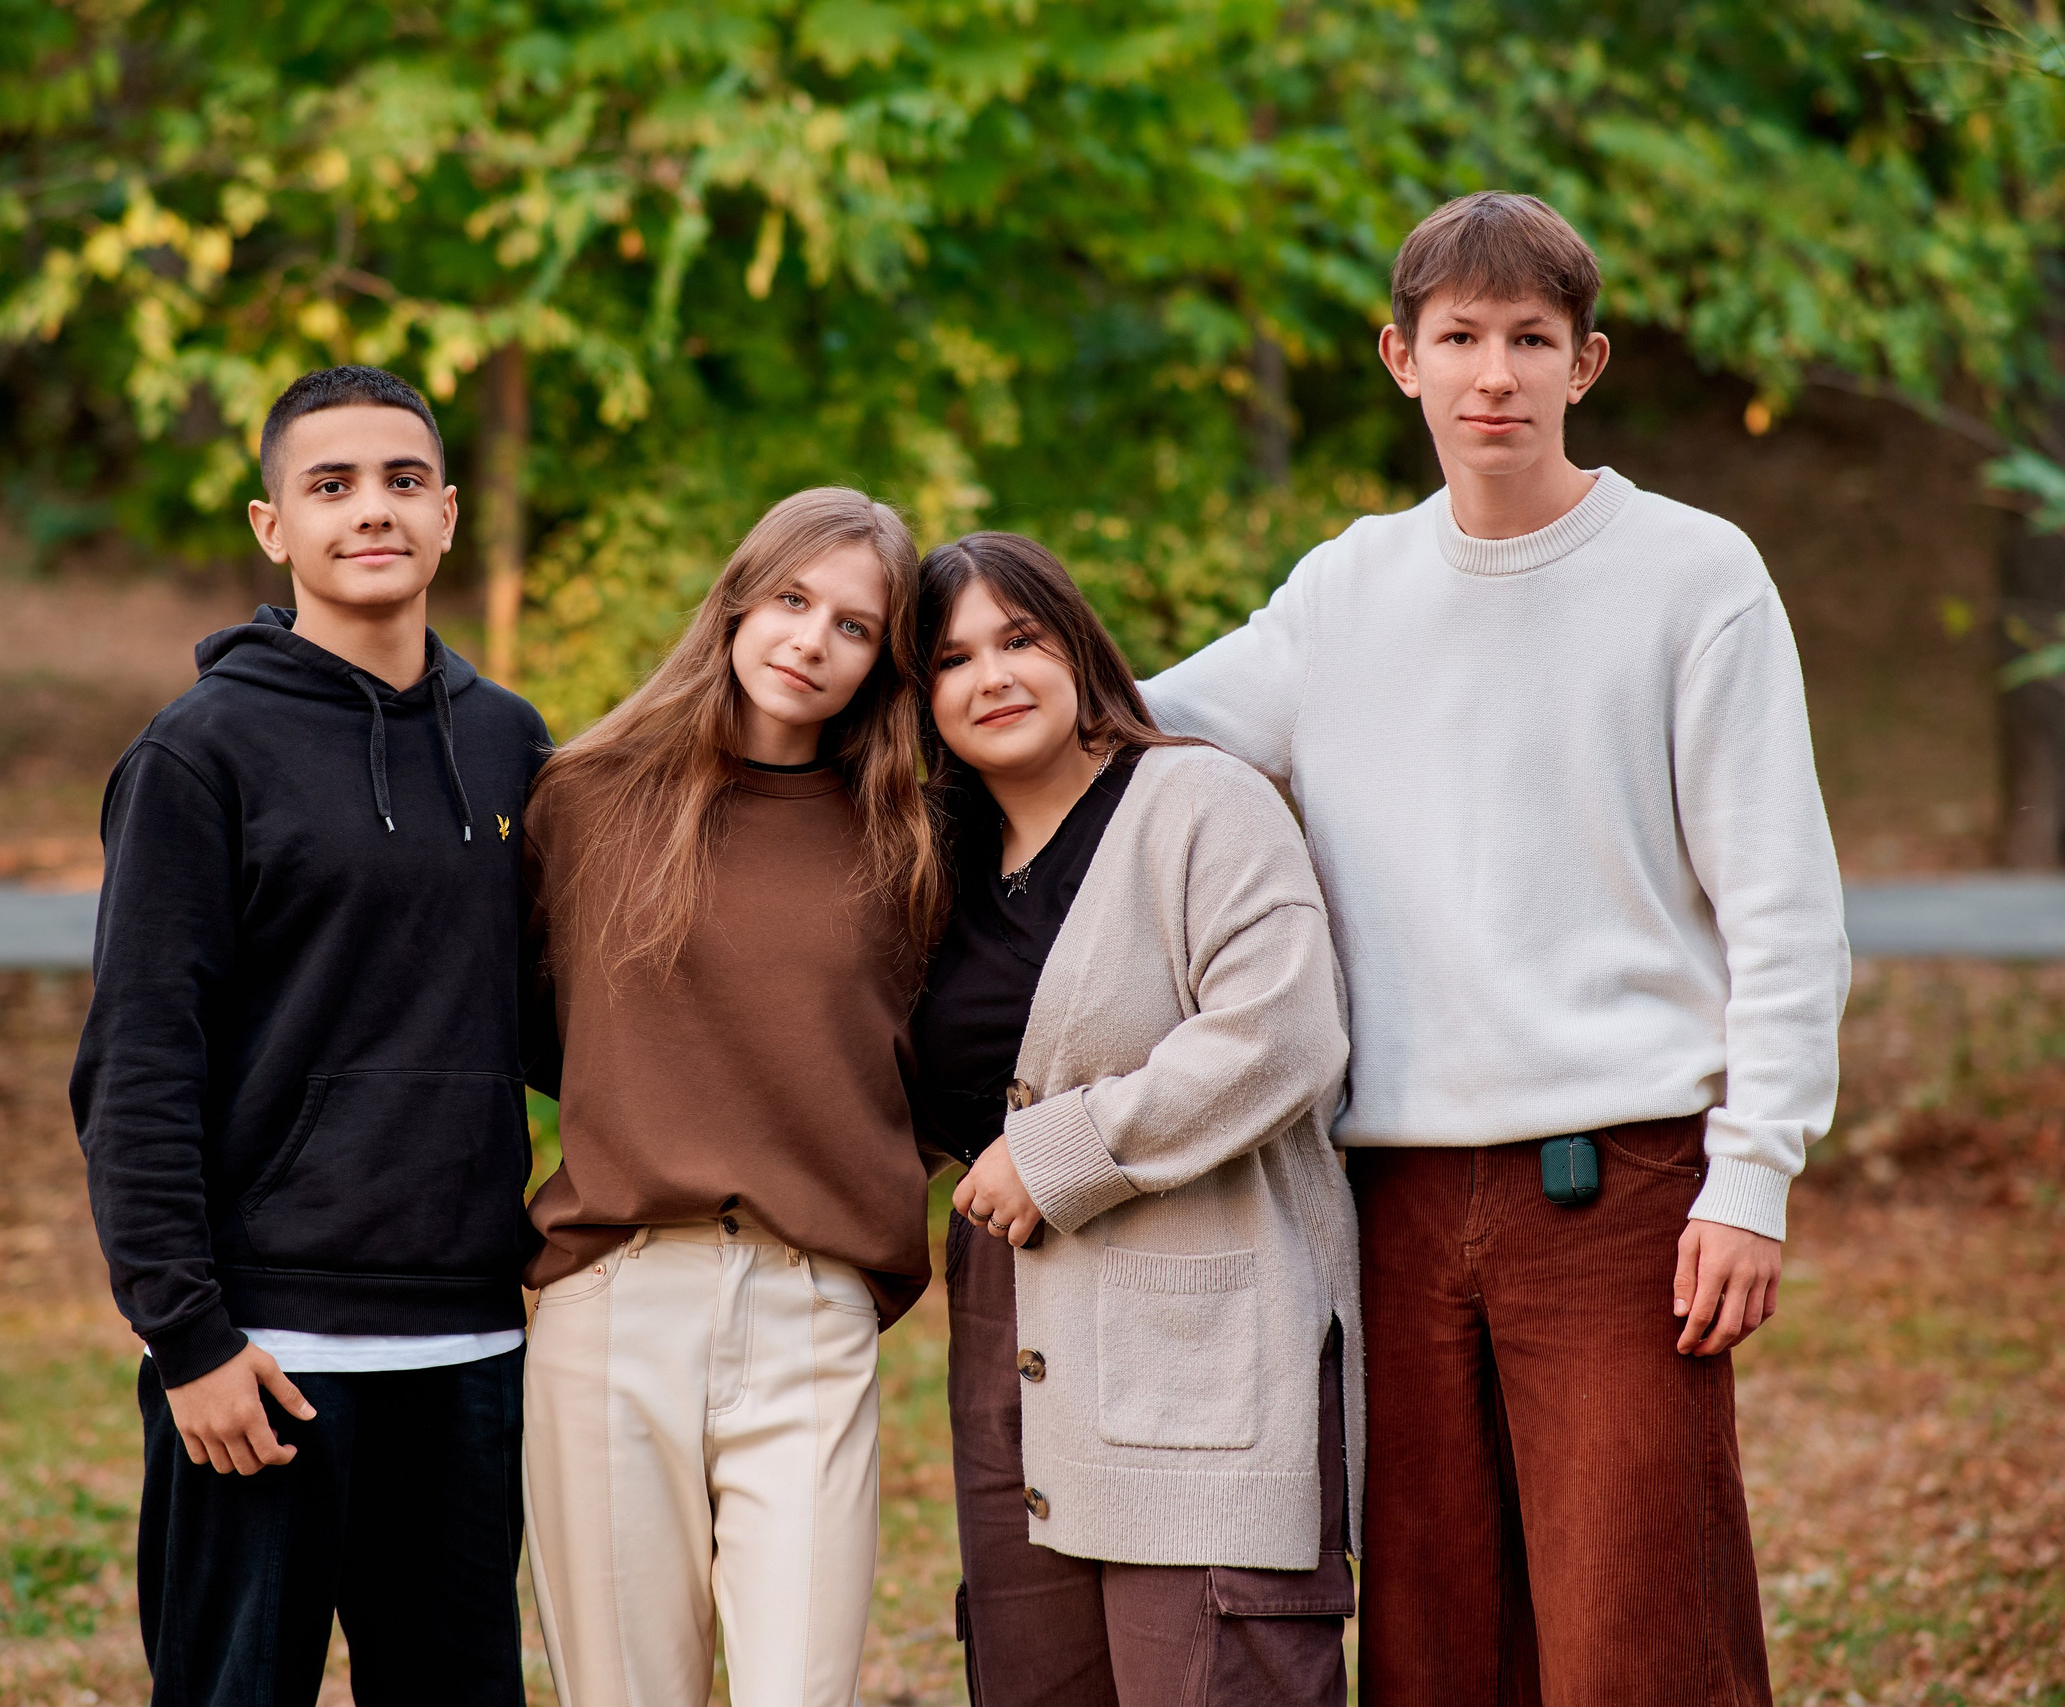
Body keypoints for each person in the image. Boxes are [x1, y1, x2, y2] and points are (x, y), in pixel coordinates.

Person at [1140, 191, 1851, 1703]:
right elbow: (1139, 728)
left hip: (1619, 1182)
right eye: (1461, 337)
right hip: (1387, 1196)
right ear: (1402, 357)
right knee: (1435, 1636)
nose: (1495, 375)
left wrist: (1756, 1174)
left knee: (1633, 1636)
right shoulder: (1348, 588)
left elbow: (1783, 905)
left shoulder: (1694, 574)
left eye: (1533, 339)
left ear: (1585, 364)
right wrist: (935, 694)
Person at [70, 365, 550, 1707]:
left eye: (402, 479)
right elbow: (138, 1068)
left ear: (448, 513)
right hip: (265, 1359)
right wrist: (190, 1337)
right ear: (271, 526)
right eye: (329, 485)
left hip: (467, 1346)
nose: (371, 509)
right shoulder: (199, 753)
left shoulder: (511, 743)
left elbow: (562, 1019)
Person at [516, 486, 946, 1707]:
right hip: (612, 1303)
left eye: (855, 627)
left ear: (883, 664)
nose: (812, 642)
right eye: (794, 600)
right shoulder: (584, 799)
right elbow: (539, 1029)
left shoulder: (908, 838)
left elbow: (937, 1058)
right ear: (739, 598)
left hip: (812, 1311)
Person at [913, 532, 1359, 1707]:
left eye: (1019, 639)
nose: (992, 676)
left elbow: (1285, 1033)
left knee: (1214, 1668)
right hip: (1011, 1325)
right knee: (1032, 1672)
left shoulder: (1196, 798)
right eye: (951, 659)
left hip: (1204, 1338)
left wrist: (1058, 1151)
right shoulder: (934, 861)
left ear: (1077, 646)